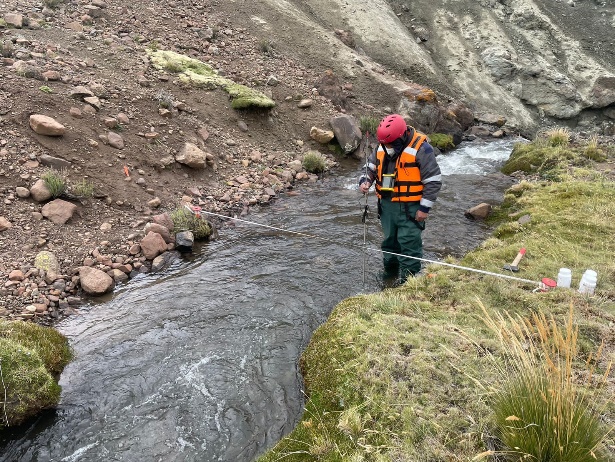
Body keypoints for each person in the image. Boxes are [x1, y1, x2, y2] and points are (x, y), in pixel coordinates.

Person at [359, 114, 442, 282]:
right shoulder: (381, 146)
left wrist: (424, 209)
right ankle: (389, 276)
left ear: (401, 137)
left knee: (409, 244)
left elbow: (433, 181)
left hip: (411, 208)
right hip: (387, 206)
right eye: (385, 144)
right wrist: (365, 180)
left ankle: (408, 282)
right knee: (389, 243)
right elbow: (370, 167)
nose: (387, 147)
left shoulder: (422, 149)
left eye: (390, 144)